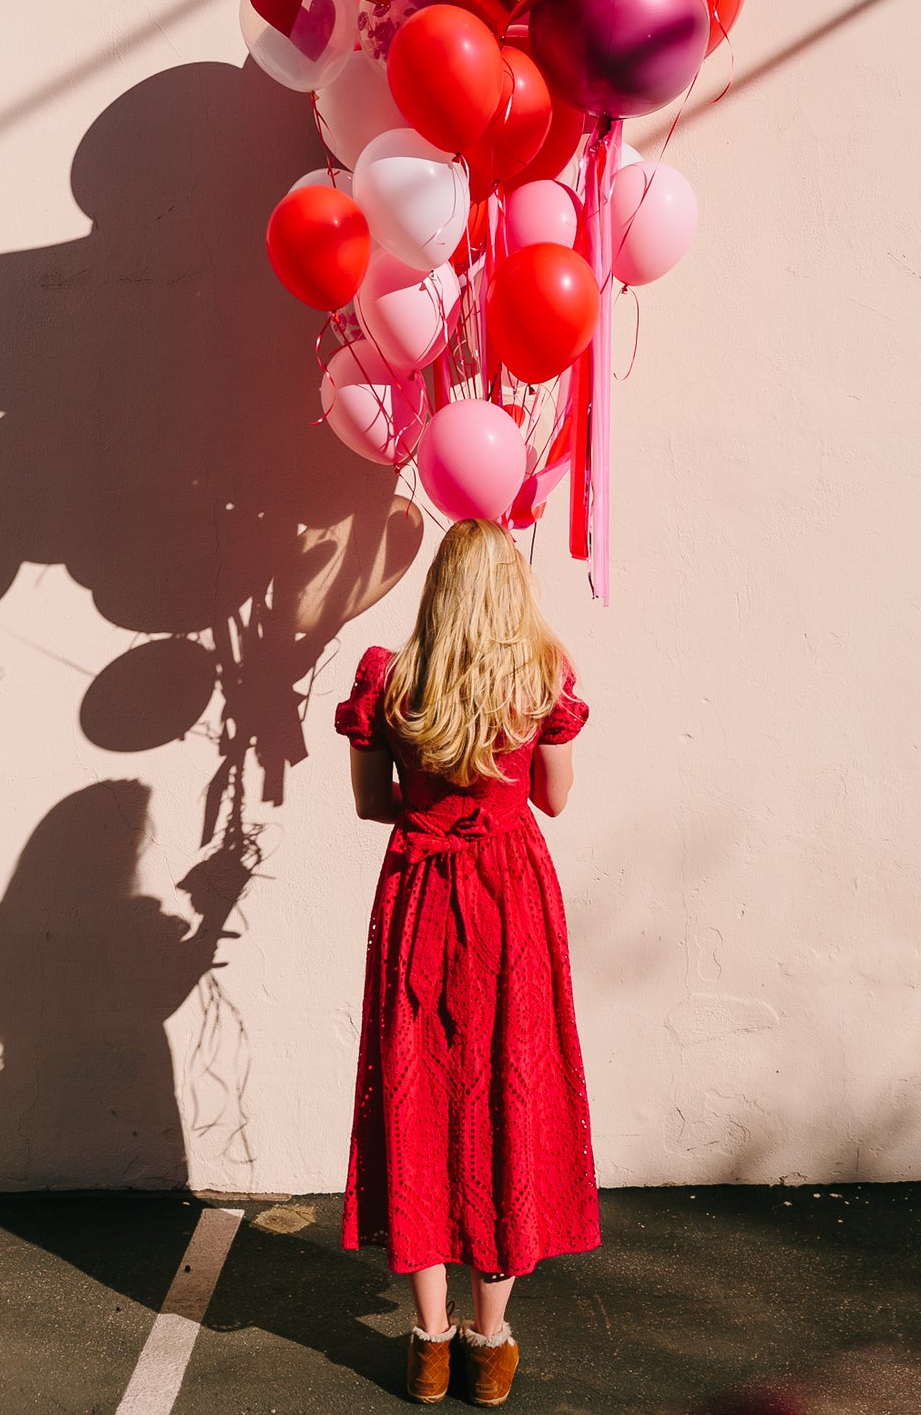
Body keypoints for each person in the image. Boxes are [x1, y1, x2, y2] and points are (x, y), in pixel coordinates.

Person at [335, 517, 600, 1406]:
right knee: (503, 1091)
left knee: (418, 1092)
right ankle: (490, 1348)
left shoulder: (390, 677)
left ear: (438, 589)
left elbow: (375, 806)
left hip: (419, 896)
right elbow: (553, 801)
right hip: (511, 900)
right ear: (511, 589)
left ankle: (429, 1344)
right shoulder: (541, 678)